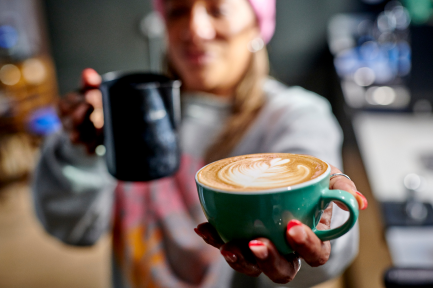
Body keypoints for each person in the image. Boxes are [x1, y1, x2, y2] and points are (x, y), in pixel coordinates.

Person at [33, 0, 368, 287]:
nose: (195, 30)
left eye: (217, 9)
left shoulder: (295, 116)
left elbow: (328, 246)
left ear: (256, 24)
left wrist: (318, 220)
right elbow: (74, 229)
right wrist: (80, 149)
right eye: (178, 10)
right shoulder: (129, 114)